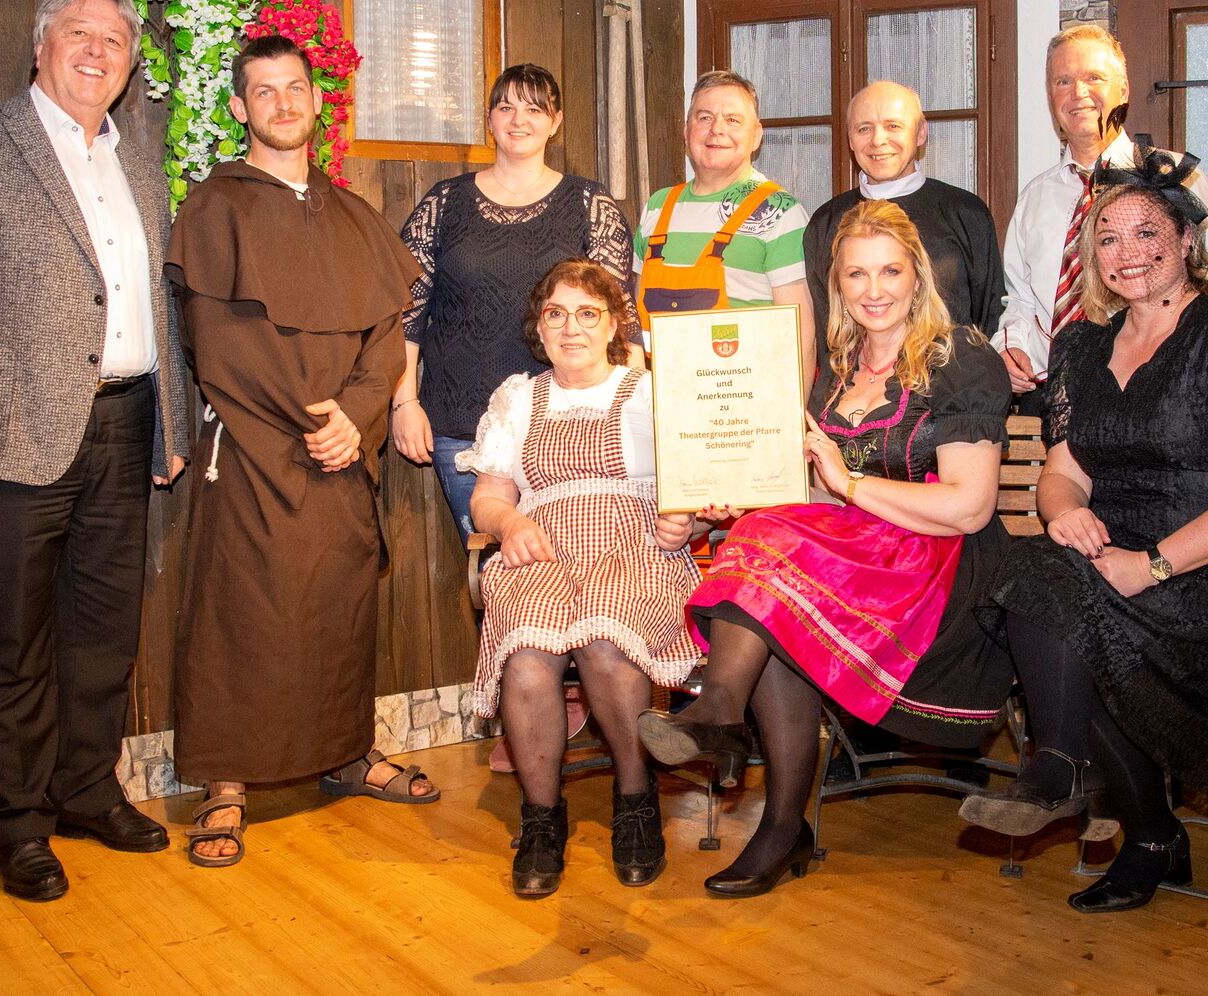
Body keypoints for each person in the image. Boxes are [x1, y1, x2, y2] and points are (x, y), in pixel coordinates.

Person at [964, 160, 1208, 916]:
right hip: (1119, 550)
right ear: (1090, 256)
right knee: (1039, 574)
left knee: (1082, 617)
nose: (1126, 252)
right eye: (1108, 238)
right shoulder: (1081, 350)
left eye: (1146, 233)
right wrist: (1063, 510)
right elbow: (1063, 474)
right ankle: (1095, 790)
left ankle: (1113, 808)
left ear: (1188, 240)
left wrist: (1154, 565)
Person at [0, 0, 189, 901]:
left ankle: (85, 790)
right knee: (12, 640)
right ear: (40, 45)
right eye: (78, 33)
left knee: (102, 634)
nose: (97, 51)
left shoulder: (141, 162)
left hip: (126, 424)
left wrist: (171, 420)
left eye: (114, 40)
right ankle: (18, 822)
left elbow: (159, 305)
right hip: (9, 433)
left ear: (130, 65)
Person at [637, 199, 1014, 898]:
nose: (874, 290)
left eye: (890, 271)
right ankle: (774, 813)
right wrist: (733, 498)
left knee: (774, 575)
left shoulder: (960, 357)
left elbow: (969, 507)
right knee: (763, 562)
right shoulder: (835, 369)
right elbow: (808, 492)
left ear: (917, 274)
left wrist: (849, 482)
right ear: (835, 284)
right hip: (855, 554)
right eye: (856, 275)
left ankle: (724, 720)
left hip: (939, 569)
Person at [166, 35, 432, 869]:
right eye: (264, 91)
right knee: (243, 615)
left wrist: (356, 418)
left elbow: (384, 336)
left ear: (317, 101)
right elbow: (220, 346)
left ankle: (346, 753)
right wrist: (313, 422)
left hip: (343, 450)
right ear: (238, 108)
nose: (283, 104)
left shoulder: (353, 215)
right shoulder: (215, 209)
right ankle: (226, 780)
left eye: (295, 88)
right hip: (254, 449)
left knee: (340, 612)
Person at [465, 260, 700, 898]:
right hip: (540, 546)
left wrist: (686, 522)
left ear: (614, 324)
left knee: (604, 640)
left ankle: (636, 799)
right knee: (528, 654)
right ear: (539, 328)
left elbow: (698, 486)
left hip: (634, 545)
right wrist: (509, 521)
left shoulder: (650, 392)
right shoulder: (518, 398)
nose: (571, 328)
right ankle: (542, 818)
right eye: (556, 314)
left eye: (588, 313)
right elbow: (487, 498)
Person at [393, 64, 638, 541]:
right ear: (489, 119)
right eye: (506, 107)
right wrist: (404, 402)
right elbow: (406, 316)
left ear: (556, 120)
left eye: (534, 109)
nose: (518, 119)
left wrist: (633, 410)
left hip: (567, 425)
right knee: (494, 561)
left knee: (575, 552)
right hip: (461, 423)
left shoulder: (590, 205)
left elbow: (617, 319)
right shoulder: (444, 204)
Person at [995, 24, 1208, 411]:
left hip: (1156, 395)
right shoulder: (1034, 198)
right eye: (1062, 81)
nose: (1078, 93)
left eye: (1093, 77)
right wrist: (1009, 348)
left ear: (1123, 90)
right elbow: (1021, 300)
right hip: (1052, 394)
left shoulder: (1177, 177)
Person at [633, 70, 817, 383]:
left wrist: (794, 410)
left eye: (733, 120)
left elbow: (801, 335)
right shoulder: (657, 206)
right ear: (686, 131)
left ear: (756, 135)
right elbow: (634, 326)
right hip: (661, 401)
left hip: (744, 402)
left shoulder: (780, 211)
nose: (717, 129)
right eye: (704, 117)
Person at [804, 80, 1004, 336]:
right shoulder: (825, 222)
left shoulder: (966, 213)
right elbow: (823, 329)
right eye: (864, 129)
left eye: (893, 126)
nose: (878, 140)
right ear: (850, 139)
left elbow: (990, 318)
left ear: (920, 133)